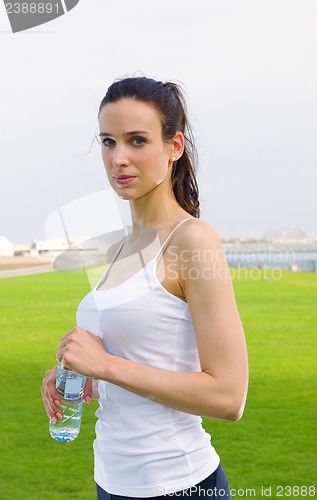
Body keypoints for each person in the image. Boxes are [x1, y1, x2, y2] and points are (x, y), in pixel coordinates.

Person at [41, 76, 248, 500]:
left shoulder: (192, 240)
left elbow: (229, 396)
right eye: (107, 141)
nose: (119, 158)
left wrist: (105, 366)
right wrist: (84, 378)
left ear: (174, 147)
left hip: (178, 485)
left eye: (137, 140)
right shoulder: (120, 247)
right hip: (113, 482)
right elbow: (141, 359)